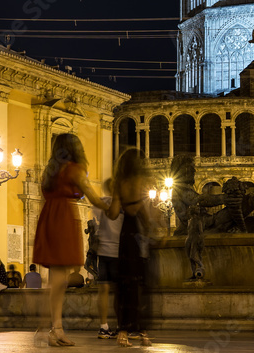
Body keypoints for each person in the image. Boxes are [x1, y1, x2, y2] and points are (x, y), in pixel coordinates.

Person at [32, 132, 111, 346]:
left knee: (58, 278)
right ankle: (48, 326)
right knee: (59, 280)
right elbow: (93, 197)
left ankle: (54, 328)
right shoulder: (74, 170)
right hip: (63, 218)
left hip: (49, 216)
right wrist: (114, 207)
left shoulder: (50, 173)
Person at [107, 147, 154, 348]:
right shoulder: (141, 183)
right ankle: (143, 334)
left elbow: (113, 213)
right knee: (138, 285)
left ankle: (122, 333)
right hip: (137, 235)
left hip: (124, 236)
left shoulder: (120, 184)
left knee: (124, 284)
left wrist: (106, 206)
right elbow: (144, 213)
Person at [92, 178, 123, 339]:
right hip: (117, 252)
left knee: (103, 290)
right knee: (118, 291)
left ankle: (103, 326)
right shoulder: (123, 205)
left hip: (103, 251)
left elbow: (96, 221)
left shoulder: (99, 204)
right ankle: (120, 326)